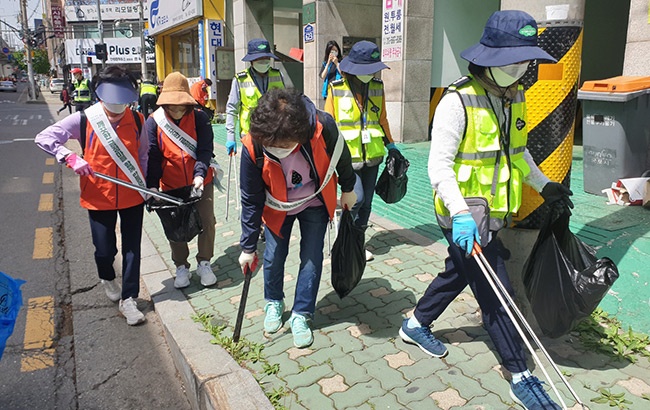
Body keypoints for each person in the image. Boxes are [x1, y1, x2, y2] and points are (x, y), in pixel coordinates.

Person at [399, 11, 573, 410]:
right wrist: (460, 214)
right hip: (461, 214)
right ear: (488, 59)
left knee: (458, 272)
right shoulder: (456, 100)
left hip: (494, 213)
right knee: (497, 292)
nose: (522, 71)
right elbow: (438, 166)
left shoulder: (515, 97)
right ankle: (521, 375)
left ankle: (415, 324)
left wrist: (543, 185)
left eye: (525, 63)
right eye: (513, 63)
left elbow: (519, 151)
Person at [238, 88, 357, 348]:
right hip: (276, 205)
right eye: (272, 146)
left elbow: (342, 156)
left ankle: (302, 313)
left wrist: (348, 188)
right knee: (272, 255)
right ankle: (273, 302)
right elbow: (250, 198)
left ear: (299, 134)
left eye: (284, 146)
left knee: (312, 259)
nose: (278, 151)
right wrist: (247, 246)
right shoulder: (254, 142)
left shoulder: (322, 126)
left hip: (314, 200)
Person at [35, 66, 149, 325]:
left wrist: (147, 186)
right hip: (98, 194)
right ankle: (107, 277)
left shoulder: (139, 120)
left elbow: (142, 155)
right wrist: (70, 157)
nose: (117, 105)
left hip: (133, 194)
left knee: (133, 248)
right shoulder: (85, 119)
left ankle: (129, 298)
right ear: (100, 95)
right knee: (104, 249)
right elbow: (44, 138)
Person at [324, 40, 400, 262]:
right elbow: (329, 124)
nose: (369, 74)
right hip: (347, 157)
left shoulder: (377, 88)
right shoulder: (336, 89)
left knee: (367, 203)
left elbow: (382, 120)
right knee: (356, 200)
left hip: (373, 156)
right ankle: (343, 240)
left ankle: (357, 244)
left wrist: (392, 146)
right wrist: (327, 155)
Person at [146, 72, 217, 289]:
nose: (176, 110)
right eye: (171, 105)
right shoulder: (154, 122)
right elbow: (153, 156)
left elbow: (205, 150)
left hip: (200, 180)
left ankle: (204, 262)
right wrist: (152, 185)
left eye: (180, 105)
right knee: (175, 226)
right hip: (171, 184)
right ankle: (181, 266)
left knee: (207, 221)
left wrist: (199, 173)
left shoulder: (199, 118)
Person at [225, 38, 286, 156]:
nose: (263, 62)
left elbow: (284, 104)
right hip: (250, 134)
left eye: (266, 58)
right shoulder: (240, 79)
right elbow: (232, 109)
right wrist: (230, 136)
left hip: (274, 133)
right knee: (252, 170)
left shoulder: (278, 75)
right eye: (259, 59)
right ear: (251, 61)